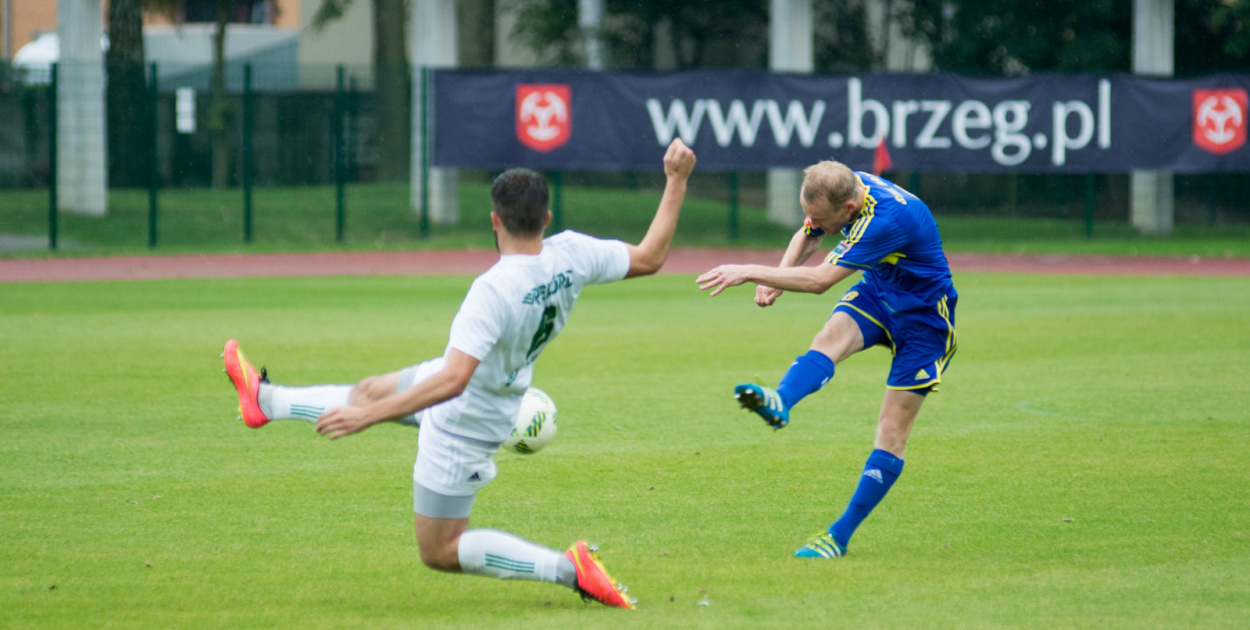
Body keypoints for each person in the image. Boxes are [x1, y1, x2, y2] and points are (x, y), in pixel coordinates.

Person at [223, 138, 697, 608]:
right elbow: (651, 257)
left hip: (465, 419)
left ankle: (569, 570)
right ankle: (265, 401)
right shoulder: (572, 253)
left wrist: (367, 419)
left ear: (494, 220)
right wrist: (676, 180)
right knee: (366, 390)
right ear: (546, 219)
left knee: (440, 551)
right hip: (488, 387)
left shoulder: (492, 290)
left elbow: (452, 382)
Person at [695, 161, 957, 559]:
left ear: (848, 209)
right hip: (881, 291)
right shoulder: (843, 187)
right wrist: (776, 276)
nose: (814, 222)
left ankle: (839, 536)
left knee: (891, 431)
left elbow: (820, 281)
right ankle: (781, 400)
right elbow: (810, 234)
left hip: (925, 317)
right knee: (828, 339)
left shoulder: (886, 220)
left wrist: (750, 270)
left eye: (822, 217)